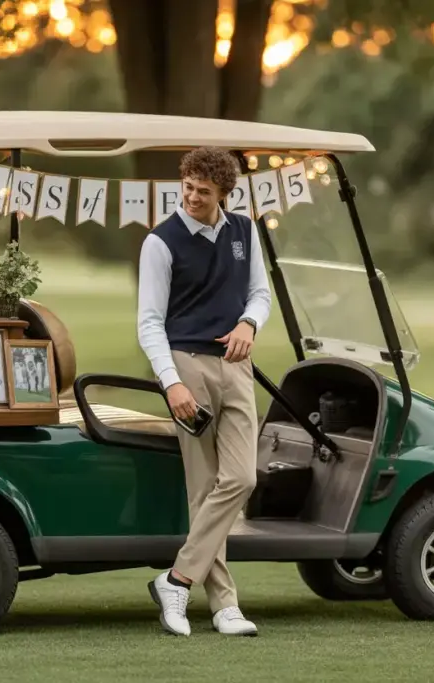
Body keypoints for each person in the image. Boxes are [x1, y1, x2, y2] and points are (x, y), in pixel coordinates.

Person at [137, 146, 271, 637]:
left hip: (237, 365)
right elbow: (149, 322)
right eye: (188, 187)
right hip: (187, 366)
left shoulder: (243, 231)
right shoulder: (160, 242)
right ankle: (225, 606)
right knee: (203, 485)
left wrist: (249, 324)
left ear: (224, 195)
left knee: (241, 479)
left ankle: (176, 580)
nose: (192, 197)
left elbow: (260, 292)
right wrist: (170, 382)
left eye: (204, 192)